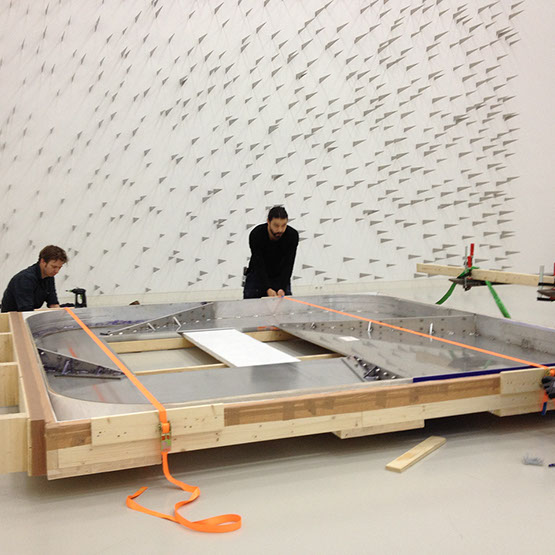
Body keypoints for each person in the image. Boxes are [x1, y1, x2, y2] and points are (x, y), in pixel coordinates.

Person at [243, 206, 299, 299]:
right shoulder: (256, 234)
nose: (280, 230)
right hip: (257, 275)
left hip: (280, 275)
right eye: (276, 225)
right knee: (251, 305)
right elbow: (259, 263)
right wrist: (267, 288)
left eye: (283, 225)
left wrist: (282, 288)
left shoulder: (292, 235)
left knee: (284, 306)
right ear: (268, 222)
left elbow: (289, 263)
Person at [1, 245, 68, 312]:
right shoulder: (25, 278)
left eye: (59, 267)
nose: (57, 271)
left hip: (28, 313)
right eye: (54, 267)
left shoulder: (49, 277)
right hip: (13, 316)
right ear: (43, 261)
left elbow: (53, 303)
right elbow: (26, 310)